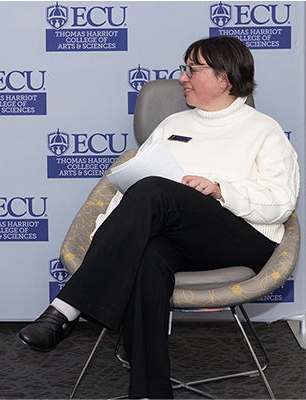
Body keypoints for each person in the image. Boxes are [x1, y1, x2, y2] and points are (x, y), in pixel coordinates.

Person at [18, 35, 299, 399]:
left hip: (241, 239)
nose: (182, 77)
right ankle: (150, 391)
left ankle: (66, 308)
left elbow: (280, 202)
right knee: (148, 258)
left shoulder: (264, 130)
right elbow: (130, 192)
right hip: (177, 238)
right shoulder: (170, 125)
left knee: (156, 190)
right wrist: (109, 241)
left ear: (224, 79)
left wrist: (221, 189)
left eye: (192, 69)